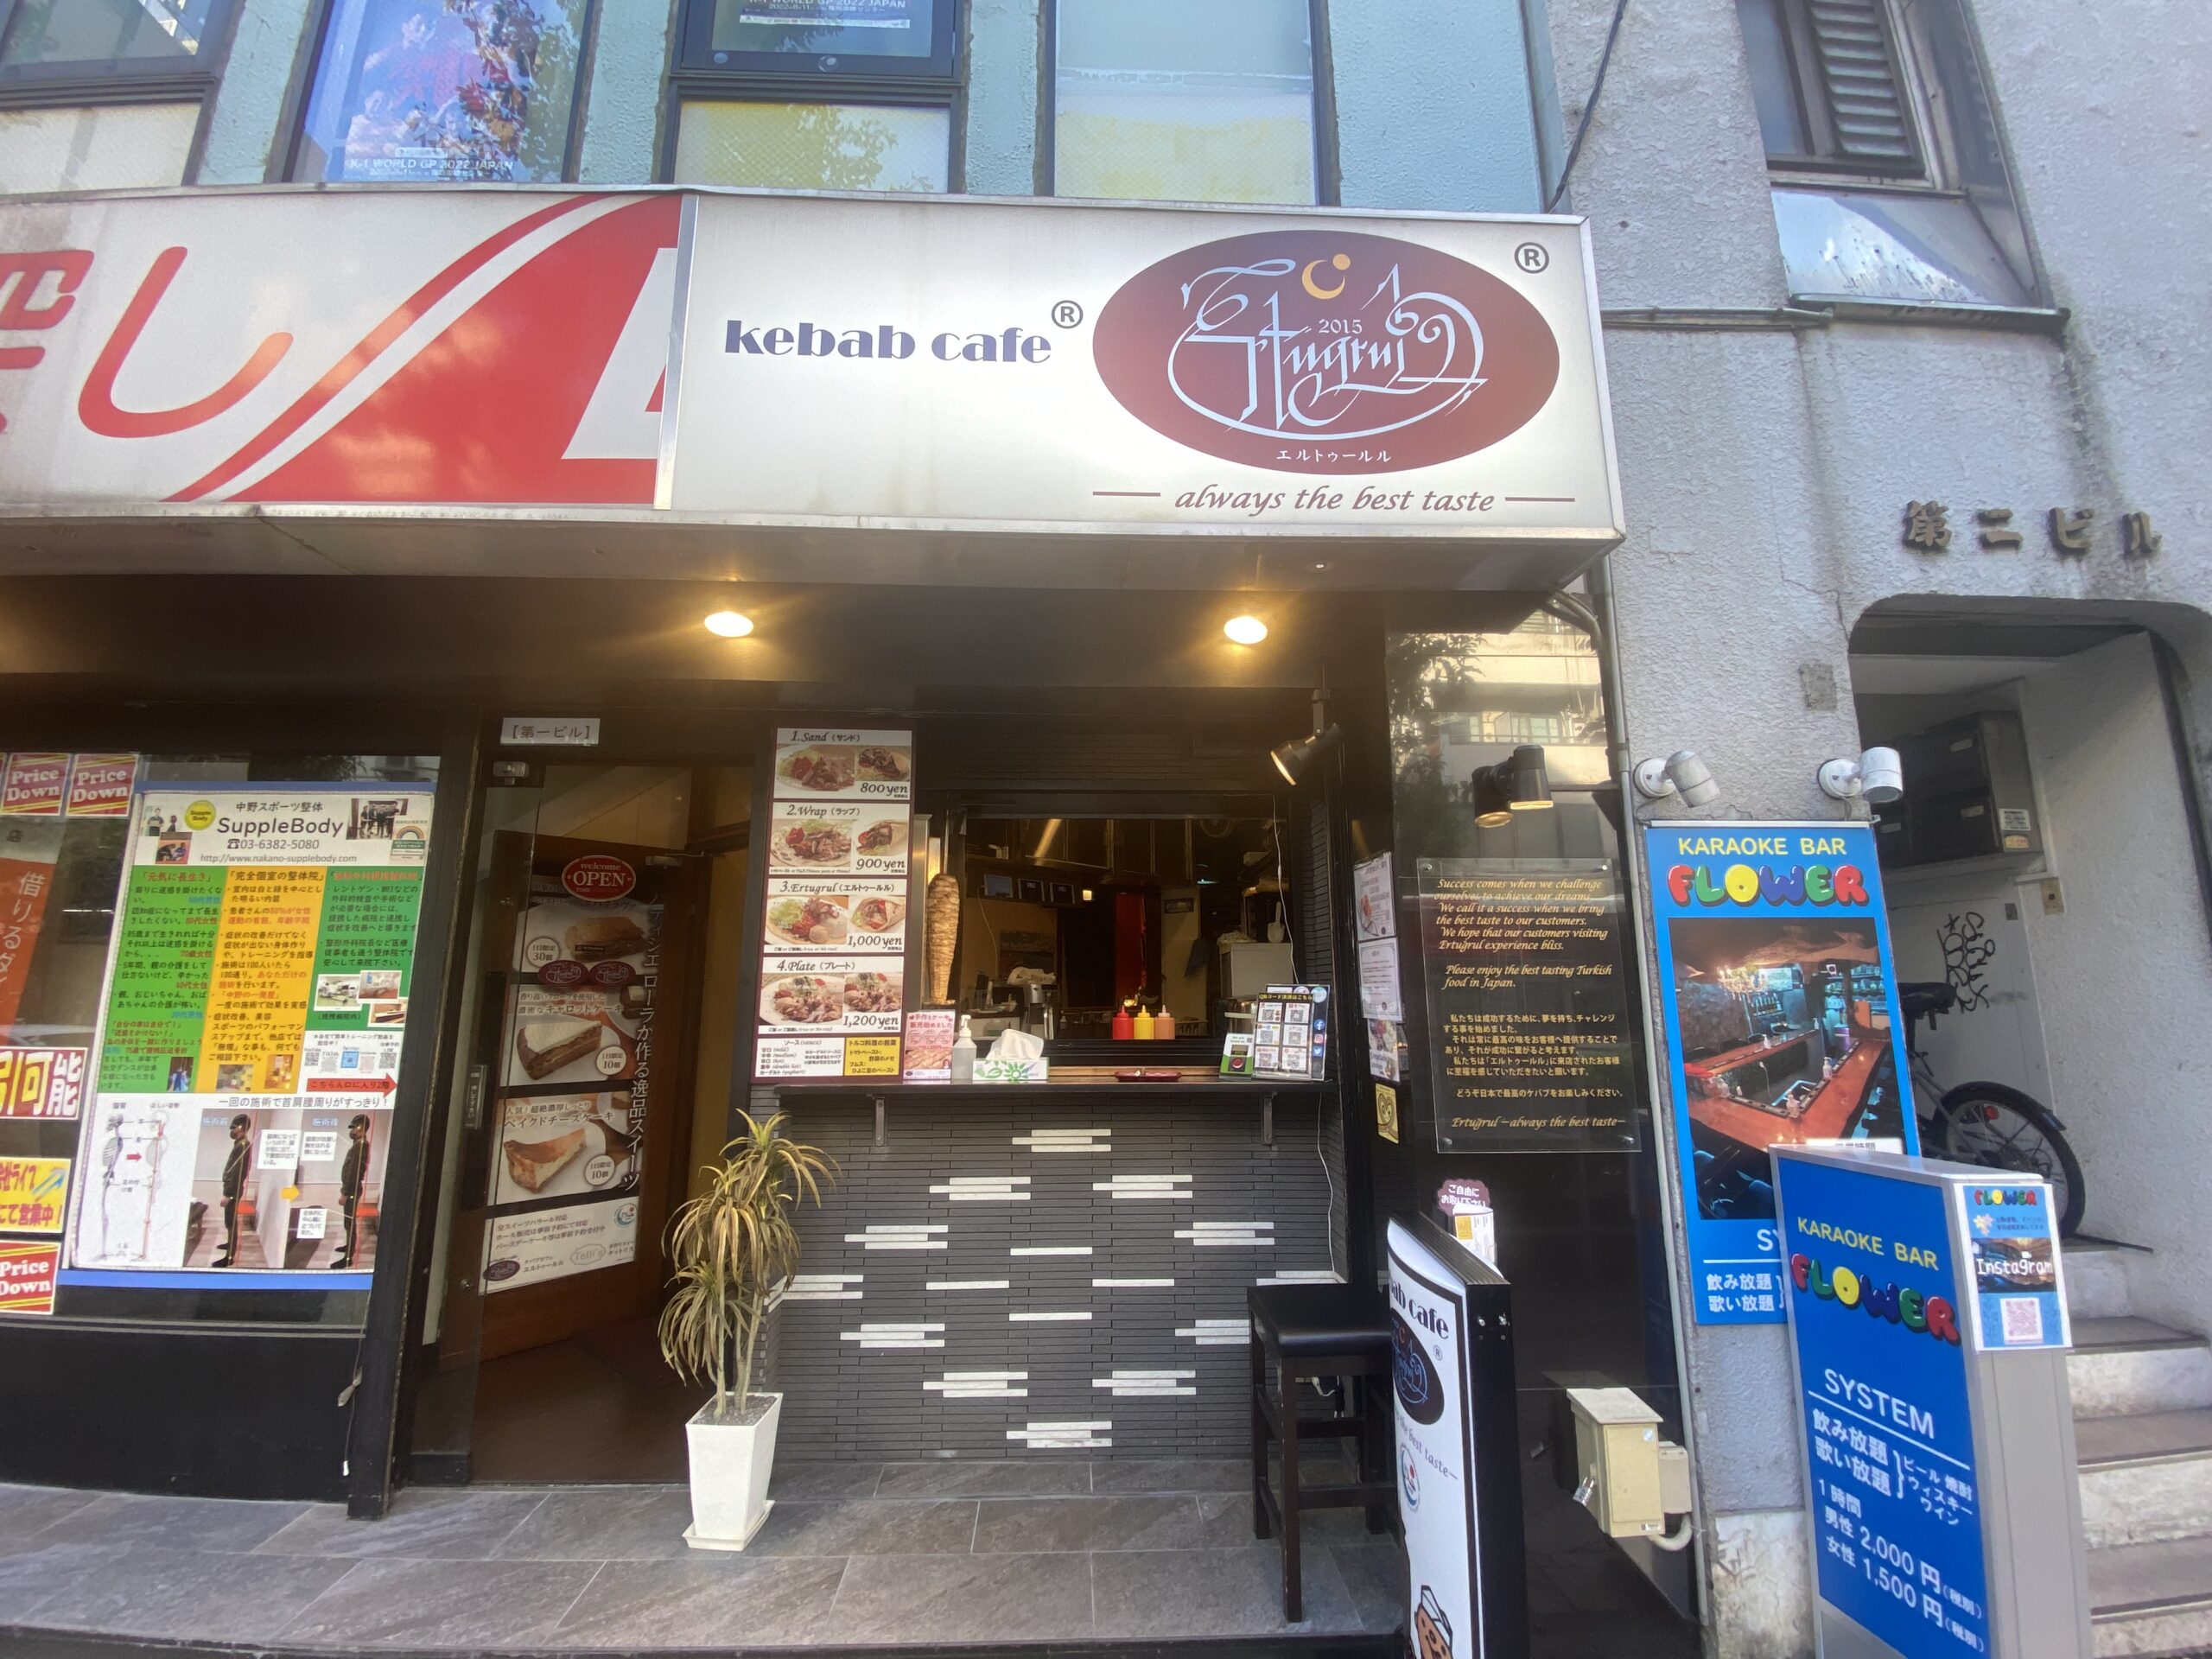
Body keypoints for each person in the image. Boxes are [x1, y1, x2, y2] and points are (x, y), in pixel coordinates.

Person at [333, 1114, 371, 1269]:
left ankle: (348, 1257)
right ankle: (348, 1247)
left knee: (350, 1222)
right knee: (348, 1222)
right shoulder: (358, 1144)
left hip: (352, 1189)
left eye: (355, 1127)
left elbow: (354, 1172)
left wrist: (345, 1193)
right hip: (352, 1189)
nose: (352, 1130)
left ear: (361, 1127)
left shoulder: (361, 1145)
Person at [214, 1114, 251, 1268]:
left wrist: (228, 1195)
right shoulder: (239, 1144)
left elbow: (237, 1173)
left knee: (231, 1222)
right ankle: (230, 1244)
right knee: (229, 1221)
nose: (232, 1130)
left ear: (241, 1128)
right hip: (232, 1189)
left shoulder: (242, 1146)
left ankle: (229, 1257)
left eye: (234, 1127)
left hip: (233, 1191)